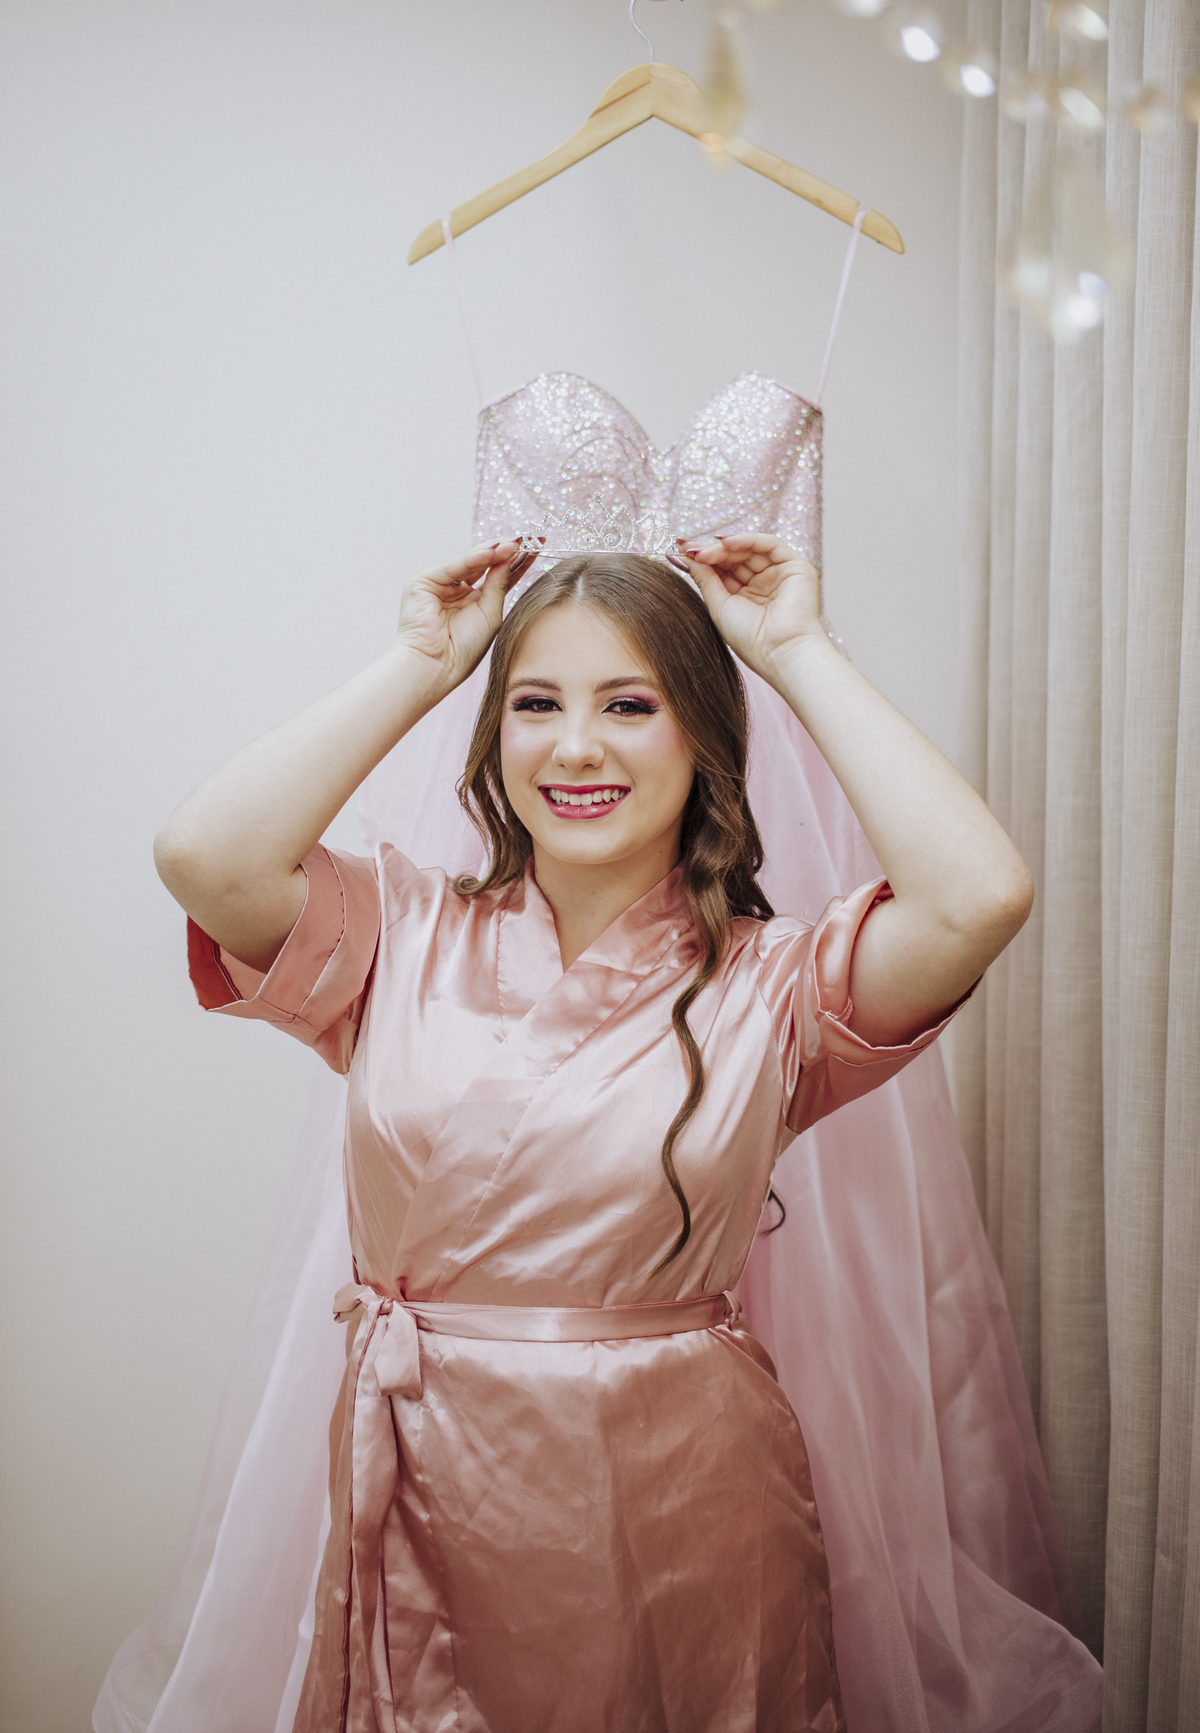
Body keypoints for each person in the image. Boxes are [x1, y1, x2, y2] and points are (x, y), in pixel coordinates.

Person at [153, 527, 1032, 1732]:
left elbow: (980, 897)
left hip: (678, 1502)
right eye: (536, 704)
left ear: (702, 738)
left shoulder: (776, 988)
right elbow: (203, 855)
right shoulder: (397, 933)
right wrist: (421, 663)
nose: (575, 746)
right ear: (493, 737)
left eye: (629, 704)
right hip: (420, 1479)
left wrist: (798, 651)